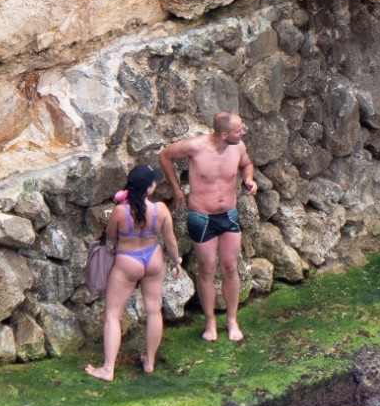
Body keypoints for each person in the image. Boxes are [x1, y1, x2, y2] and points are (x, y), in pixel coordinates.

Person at [159, 112, 260, 343]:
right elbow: (165, 155)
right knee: (207, 268)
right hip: (201, 216)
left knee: (230, 267)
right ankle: (210, 321)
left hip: (229, 215)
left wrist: (248, 179)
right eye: (238, 130)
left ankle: (232, 320)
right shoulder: (196, 147)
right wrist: (176, 188)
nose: (243, 133)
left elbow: (246, 164)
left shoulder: (238, 147)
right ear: (223, 134)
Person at [86, 164, 180, 382]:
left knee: (112, 315)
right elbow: (170, 240)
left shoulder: (121, 211)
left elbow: (111, 236)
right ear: (148, 188)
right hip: (153, 259)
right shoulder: (161, 210)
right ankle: (150, 361)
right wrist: (176, 261)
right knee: (154, 311)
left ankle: (108, 369)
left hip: (128, 262)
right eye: (153, 181)